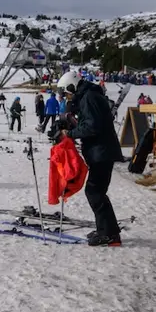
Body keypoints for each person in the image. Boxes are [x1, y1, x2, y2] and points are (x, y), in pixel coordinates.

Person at [57, 71, 123, 247]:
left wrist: (70, 134)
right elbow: (91, 122)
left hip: (102, 152)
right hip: (100, 151)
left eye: (67, 92)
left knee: (94, 192)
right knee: (96, 192)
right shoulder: (89, 96)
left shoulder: (89, 97)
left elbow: (92, 126)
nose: (67, 96)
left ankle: (109, 234)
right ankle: (107, 231)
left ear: (72, 86)